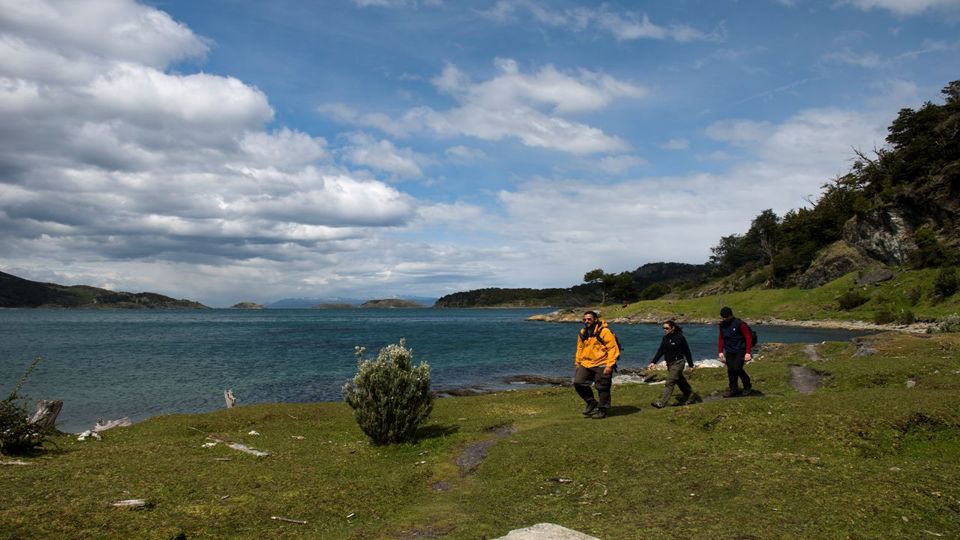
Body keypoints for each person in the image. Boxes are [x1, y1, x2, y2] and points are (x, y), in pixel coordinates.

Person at [574, 310, 620, 419]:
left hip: (602, 362)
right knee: (578, 382)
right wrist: (577, 361)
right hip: (586, 363)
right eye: (584, 319)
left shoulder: (604, 331)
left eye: (589, 319)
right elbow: (580, 348)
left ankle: (602, 409)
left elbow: (613, 348)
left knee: (602, 387)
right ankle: (591, 402)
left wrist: (610, 365)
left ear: (595, 319)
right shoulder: (582, 332)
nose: (586, 321)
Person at [648, 320, 701, 408]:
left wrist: (691, 365)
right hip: (670, 364)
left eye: (667, 328)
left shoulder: (680, 338)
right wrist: (653, 362)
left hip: (678, 363)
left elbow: (687, 352)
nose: (665, 330)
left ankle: (662, 403)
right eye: (663, 328)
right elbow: (660, 351)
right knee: (680, 381)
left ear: (672, 328)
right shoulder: (665, 338)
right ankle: (691, 395)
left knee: (670, 381)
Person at [718, 306, 753, 397]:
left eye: (726, 317)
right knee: (730, 370)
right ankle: (733, 389)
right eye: (723, 317)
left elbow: (748, 338)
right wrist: (720, 352)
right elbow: (721, 338)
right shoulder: (722, 325)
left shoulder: (740, 324)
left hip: (740, 350)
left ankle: (747, 386)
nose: (725, 319)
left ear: (730, 315)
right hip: (729, 350)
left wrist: (748, 353)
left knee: (737, 368)